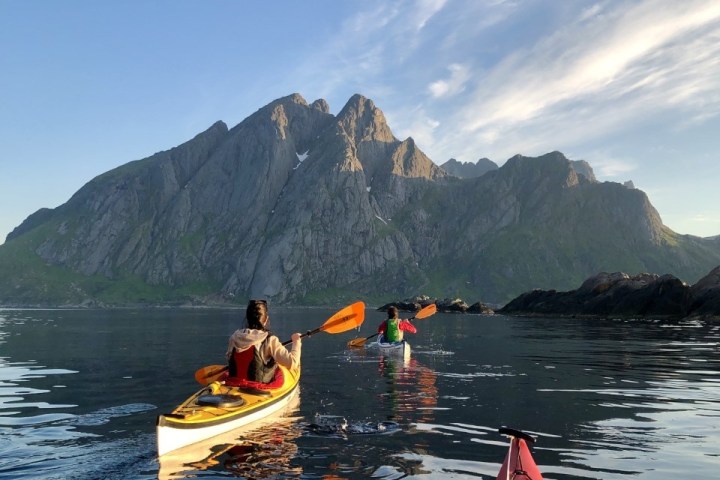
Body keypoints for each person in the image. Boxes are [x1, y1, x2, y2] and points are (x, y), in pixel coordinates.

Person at [225, 299, 302, 383]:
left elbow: (229, 359)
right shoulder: (270, 340)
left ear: (247, 319)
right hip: (258, 390)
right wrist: (296, 342)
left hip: (234, 386)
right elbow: (292, 363)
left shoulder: (234, 337)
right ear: (266, 320)